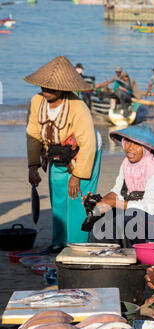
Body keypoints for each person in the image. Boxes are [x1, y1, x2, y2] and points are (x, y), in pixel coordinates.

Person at [25, 56, 102, 251]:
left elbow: (88, 143)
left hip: (84, 153)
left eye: (51, 88)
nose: (46, 90)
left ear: (65, 88)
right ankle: (59, 244)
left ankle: (76, 247)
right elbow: (33, 133)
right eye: (43, 86)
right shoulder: (36, 101)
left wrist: (77, 175)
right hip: (56, 153)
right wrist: (33, 165)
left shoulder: (78, 107)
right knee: (58, 199)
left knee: (76, 200)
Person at [88, 124, 154, 247]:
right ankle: (100, 257)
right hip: (137, 216)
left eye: (136, 144)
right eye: (127, 142)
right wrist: (99, 201)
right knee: (97, 219)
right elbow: (117, 191)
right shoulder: (126, 164)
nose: (130, 148)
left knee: (124, 221)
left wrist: (114, 203)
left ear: (146, 148)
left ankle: (127, 255)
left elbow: (150, 208)